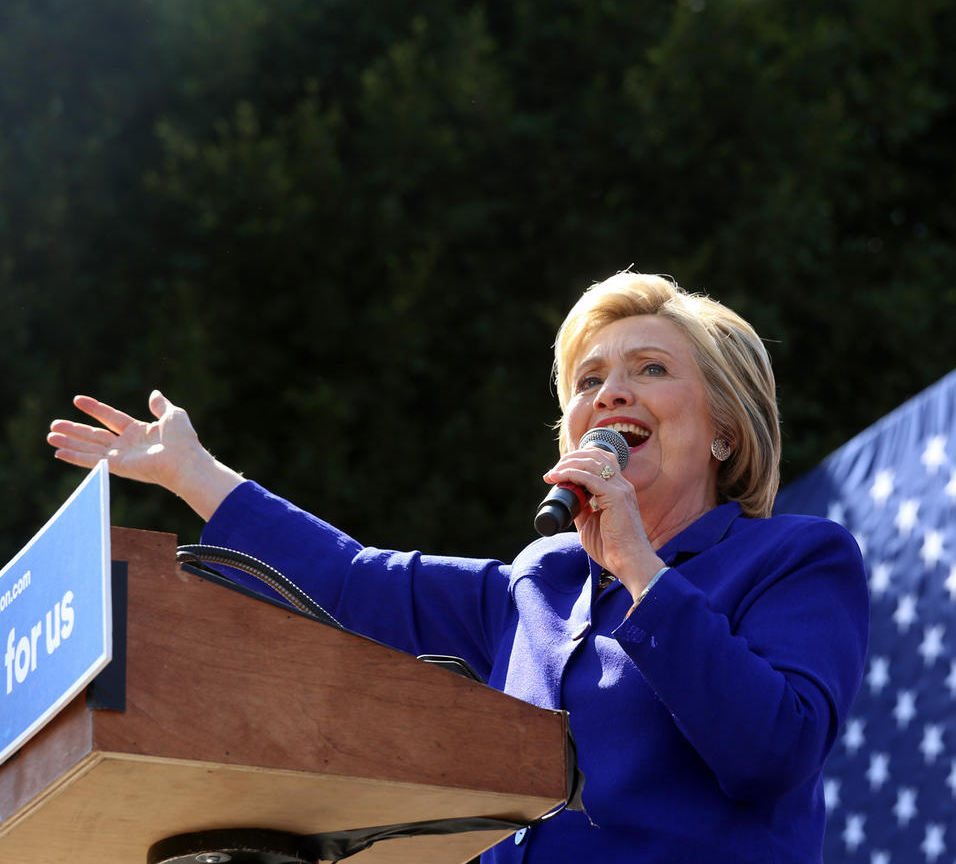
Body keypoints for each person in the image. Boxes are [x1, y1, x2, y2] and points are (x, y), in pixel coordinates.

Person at [48, 272, 870, 862]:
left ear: (725, 430)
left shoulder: (796, 559)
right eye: (590, 380)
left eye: (650, 368)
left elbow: (774, 752)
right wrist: (193, 473)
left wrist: (640, 567)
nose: (611, 393)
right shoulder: (535, 583)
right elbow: (351, 581)